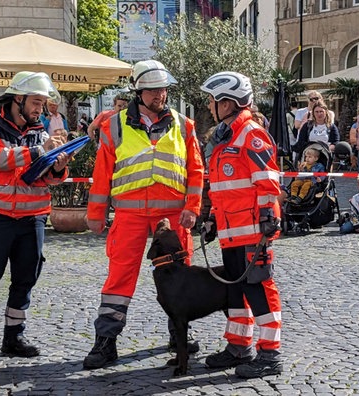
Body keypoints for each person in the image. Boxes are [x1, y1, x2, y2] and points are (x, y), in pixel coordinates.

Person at [82, 60, 204, 370]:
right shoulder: (114, 125)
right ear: (138, 91)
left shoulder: (184, 124)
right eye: (152, 90)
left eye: (162, 89)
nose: (159, 95)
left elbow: (195, 170)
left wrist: (192, 208)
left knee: (180, 278)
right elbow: (102, 173)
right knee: (120, 276)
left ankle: (179, 337)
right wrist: (96, 213)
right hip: (129, 214)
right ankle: (105, 342)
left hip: (174, 214)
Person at [0, 71, 70, 368]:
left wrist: (59, 166)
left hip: (33, 219)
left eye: (43, 104)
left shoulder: (41, 133)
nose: (40, 109)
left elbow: (50, 180)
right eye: (35, 102)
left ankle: (13, 337)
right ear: (17, 99)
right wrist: (39, 151)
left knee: (25, 280)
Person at [199, 71, 283, 378]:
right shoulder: (225, 136)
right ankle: (239, 346)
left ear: (227, 102)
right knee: (235, 292)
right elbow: (222, 188)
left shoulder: (251, 133)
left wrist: (267, 219)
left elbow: (268, 181)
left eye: (212, 100)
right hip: (230, 231)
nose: (209, 106)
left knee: (259, 288)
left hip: (252, 232)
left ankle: (270, 354)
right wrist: (210, 219)